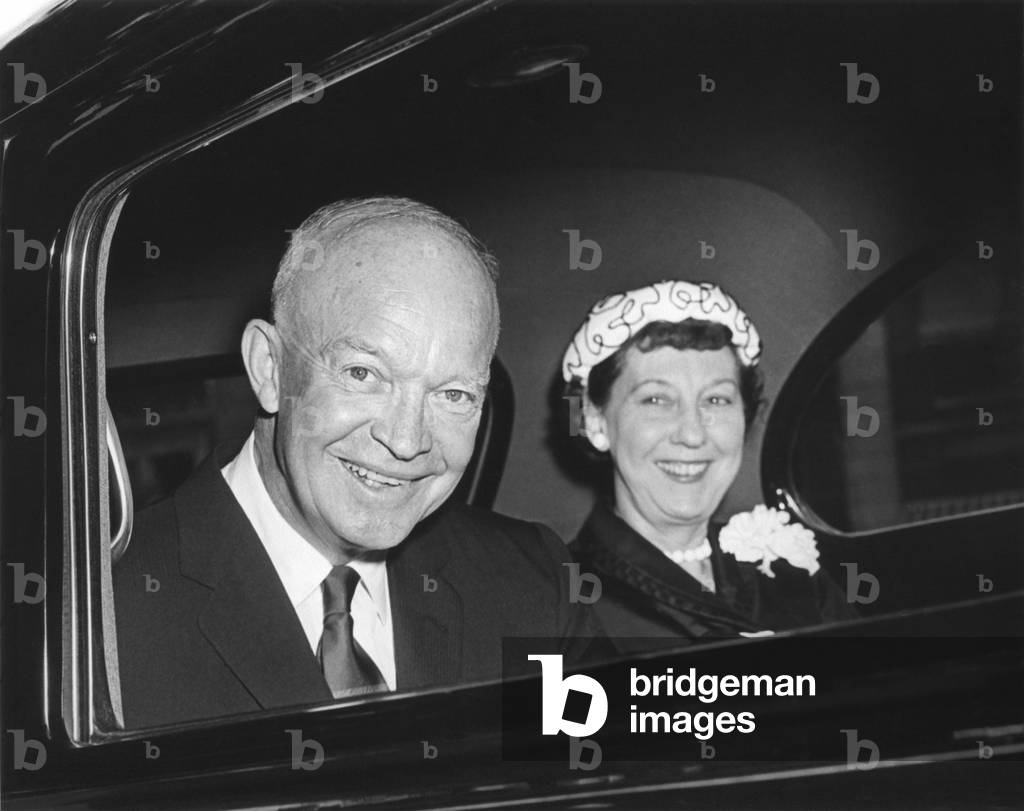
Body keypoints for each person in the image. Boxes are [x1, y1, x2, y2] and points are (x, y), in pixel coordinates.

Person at [114, 197, 593, 728]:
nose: (406, 440)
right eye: (363, 374)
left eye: (453, 394)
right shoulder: (98, 616)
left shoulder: (532, 583)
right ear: (270, 369)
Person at [561, 280, 855, 652]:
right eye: (656, 399)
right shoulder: (564, 603)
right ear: (594, 420)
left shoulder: (792, 570)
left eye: (716, 399)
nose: (693, 433)